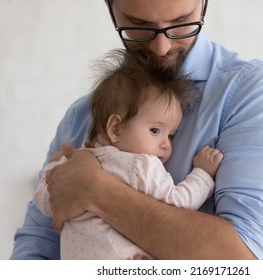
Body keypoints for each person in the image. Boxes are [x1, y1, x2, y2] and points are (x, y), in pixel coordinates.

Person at [11, 0, 263, 260]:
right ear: (110, 7)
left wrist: (96, 189)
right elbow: (39, 243)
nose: (161, 47)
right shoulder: (82, 115)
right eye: (139, 25)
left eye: (181, 23)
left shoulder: (252, 91)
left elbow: (243, 257)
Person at [33, 49, 223, 259]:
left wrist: (51, 169)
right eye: (155, 131)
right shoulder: (141, 166)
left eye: (171, 135)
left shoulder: (73, 165)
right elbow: (179, 203)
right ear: (115, 129)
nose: (166, 145)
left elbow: (46, 203)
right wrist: (203, 174)